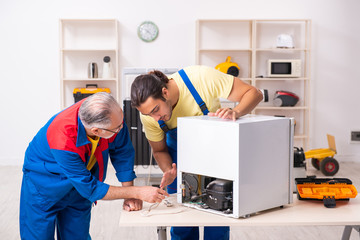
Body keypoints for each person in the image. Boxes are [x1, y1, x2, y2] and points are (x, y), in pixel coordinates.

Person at [130, 65, 263, 240]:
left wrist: (236, 111)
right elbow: (159, 149)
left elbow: (254, 93)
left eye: (156, 110)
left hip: (216, 157)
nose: (155, 118)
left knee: (217, 219)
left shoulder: (200, 78)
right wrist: (169, 170)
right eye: (148, 114)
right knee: (182, 222)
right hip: (179, 161)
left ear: (165, 92)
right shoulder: (149, 115)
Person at [20, 92, 168, 239]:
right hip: (43, 184)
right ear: (96, 131)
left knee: (77, 236)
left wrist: (128, 192)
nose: (121, 129)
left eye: (121, 122)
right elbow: (90, 188)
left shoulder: (106, 113)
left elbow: (122, 152)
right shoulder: (63, 139)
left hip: (80, 182)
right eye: (117, 128)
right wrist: (136, 192)